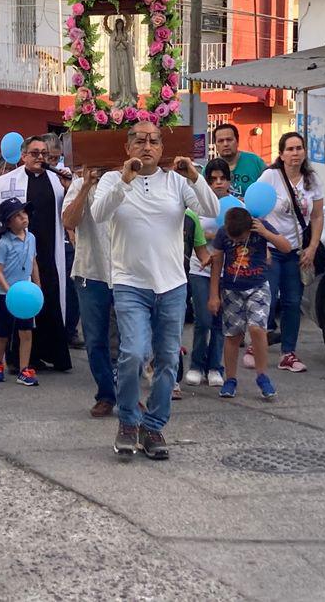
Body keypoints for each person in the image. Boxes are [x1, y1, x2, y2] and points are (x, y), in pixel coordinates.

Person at [90, 121, 217, 460]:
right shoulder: (111, 181)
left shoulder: (176, 181)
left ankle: (153, 426)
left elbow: (211, 210)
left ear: (162, 148)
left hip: (172, 285)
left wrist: (194, 175)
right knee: (131, 354)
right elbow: (99, 213)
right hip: (131, 284)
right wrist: (124, 182)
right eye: (140, 140)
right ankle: (129, 421)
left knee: (167, 360)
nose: (147, 146)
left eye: (154, 141)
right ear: (128, 146)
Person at [0, 135, 72, 372]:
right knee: (22, 304)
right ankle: (20, 359)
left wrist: (70, 189)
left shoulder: (58, 180)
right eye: (35, 153)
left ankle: (51, 354)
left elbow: (70, 210)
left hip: (48, 250)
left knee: (48, 300)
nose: (40, 158)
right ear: (24, 155)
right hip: (17, 252)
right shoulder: (8, 181)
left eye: (45, 154)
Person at [253, 132, 323, 373]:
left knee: (293, 302)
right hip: (272, 248)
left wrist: (312, 247)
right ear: (281, 154)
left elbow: (317, 216)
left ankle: (288, 353)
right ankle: (256, 345)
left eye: (299, 148)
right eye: (290, 149)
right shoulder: (270, 177)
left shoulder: (311, 180)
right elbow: (254, 211)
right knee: (268, 299)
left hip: (297, 251)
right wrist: (263, 245)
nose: (295, 153)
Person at [210, 207, 292, 402]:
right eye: (233, 239)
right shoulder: (223, 233)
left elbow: (286, 247)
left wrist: (265, 233)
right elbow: (217, 263)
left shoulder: (260, 227)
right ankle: (230, 379)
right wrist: (214, 294)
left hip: (258, 286)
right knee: (233, 335)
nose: (236, 242)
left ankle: (262, 375)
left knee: (257, 329)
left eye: (240, 239)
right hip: (231, 288)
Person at [63, 164, 115, 417]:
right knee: (95, 340)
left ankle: (128, 393)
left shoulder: (131, 179)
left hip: (129, 273)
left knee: (132, 340)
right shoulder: (78, 183)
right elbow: (68, 221)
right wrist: (85, 186)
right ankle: (106, 394)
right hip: (90, 271)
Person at [184, 159, 232, 387]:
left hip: (227, 271)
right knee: (203, 319)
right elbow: (191, 232)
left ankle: (215, 366)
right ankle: (196, 364)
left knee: (219, 321)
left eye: (222, 178)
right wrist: (215, 237)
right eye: (213, 179)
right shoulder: (197, 204)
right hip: (199, 268)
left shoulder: (236, 207)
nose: (218, 183)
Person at [0, 198, 41, 387]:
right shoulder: (4, 243)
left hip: (26, 295)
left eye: (24, 213)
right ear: (8, 222)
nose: (23, 218)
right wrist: (9, 291)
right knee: (3, 333)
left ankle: (24, 368)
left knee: (26, 332)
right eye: (17, 216)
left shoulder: (31, 238)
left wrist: (37, 286)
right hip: (6, 294)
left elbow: (33, 263)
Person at [214, 123, 265, 198]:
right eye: (220, 141)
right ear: (216, 145)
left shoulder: (256, 162)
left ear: (237, 141)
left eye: (229, 140)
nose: (225, 144)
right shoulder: (210, 167)